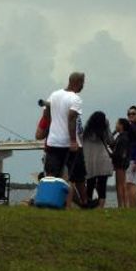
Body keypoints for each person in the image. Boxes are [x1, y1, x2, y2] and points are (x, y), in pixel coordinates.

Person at [37, 72, 84, 208]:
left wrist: (52, 126)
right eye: (83, 83)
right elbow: (71, 119)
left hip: (52, 141)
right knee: (68, 178)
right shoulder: (75, 99)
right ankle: (67, 206)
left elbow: (46, 113)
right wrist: (73, 141)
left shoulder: (54, 94)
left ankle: (48, 202)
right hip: (66, 143)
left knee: (50, 175)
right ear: (79, 82)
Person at [80, 111, 113, 208]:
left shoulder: (86, 132)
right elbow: (110, 140)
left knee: (90, 184)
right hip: (103, 159)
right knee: (102, 185)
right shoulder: (104, 128)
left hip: (89, 159)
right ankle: (101, 206)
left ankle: (89, 203)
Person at [110, 117, 134, 208]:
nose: (115, 125)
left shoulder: (123, 138)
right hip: (120, 162)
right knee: (120, 184)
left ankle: (122, 205)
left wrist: (111, 155)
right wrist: (114, 132)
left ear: (121, 125)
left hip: (120, 163)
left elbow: (120, 152)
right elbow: (112, 143)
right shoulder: (120, 136)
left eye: (117, 124)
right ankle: (122, 205)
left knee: (120, 185)